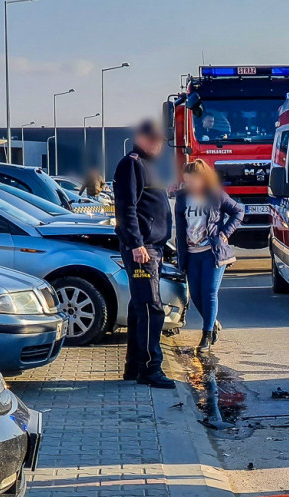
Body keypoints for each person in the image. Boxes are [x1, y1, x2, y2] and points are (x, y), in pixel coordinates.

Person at [113, 119, 174, 389]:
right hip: (143, 249)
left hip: (153, 247)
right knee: (151, 308)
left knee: (140, 308)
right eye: (157, 140)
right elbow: (126, 208)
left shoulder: (148, 165)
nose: (160, 145)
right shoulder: (132, 164)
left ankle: (134, 367)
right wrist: (137, 244)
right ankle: (151, 369)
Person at [174, 159, 244, 353]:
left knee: (209, 292)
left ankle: (206, 334)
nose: (190, 186)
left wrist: (224, 233)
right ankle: (212, 322)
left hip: (212, 252)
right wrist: (180, 254)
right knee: (195, 294)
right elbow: (180, 229)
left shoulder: (215, 195)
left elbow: (239, 211)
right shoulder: (182, 198)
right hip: (191, 253)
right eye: (187, 182)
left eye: (193, 181)